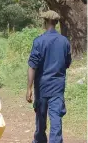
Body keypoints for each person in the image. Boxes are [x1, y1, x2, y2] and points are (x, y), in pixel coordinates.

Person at [26, 10, 72, 143]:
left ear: (45, 22)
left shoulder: (39, 41)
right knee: (56, 118)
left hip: (42, 87)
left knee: (40, 119)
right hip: (57, 87)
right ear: (56, 23)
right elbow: (67, 63)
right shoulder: (64, 41)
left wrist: (29, 88)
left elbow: (32, 66)